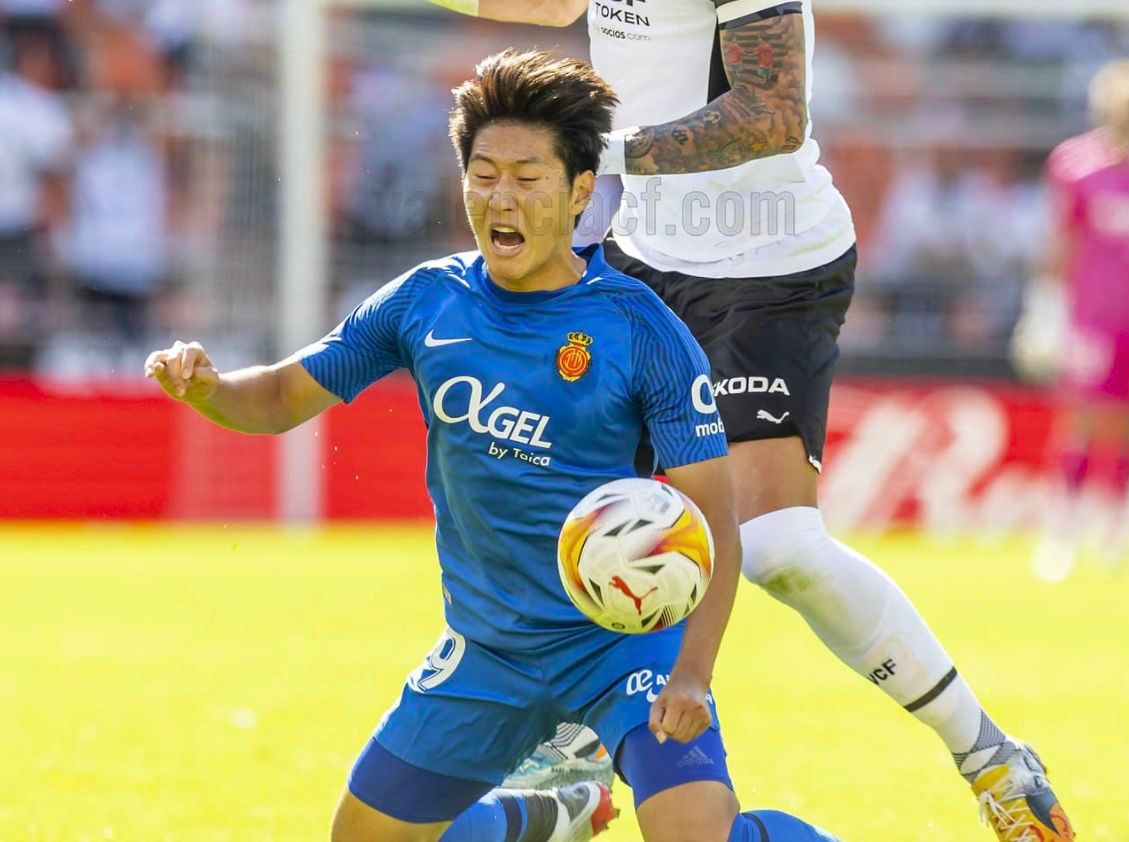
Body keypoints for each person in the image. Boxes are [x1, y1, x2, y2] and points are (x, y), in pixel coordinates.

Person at [147, 50, 841, 842]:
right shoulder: (425, 302)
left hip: (622, 649)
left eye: (528, 176)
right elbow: (277, 397)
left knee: (695, 837)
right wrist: (207, 387)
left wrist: (693, 674)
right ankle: (539, 815)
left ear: (582, 190)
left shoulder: (639, 328)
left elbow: (715, 520)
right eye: (483, 174)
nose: (500, 198)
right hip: (489, 653)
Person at [426, 1, 1074, 839]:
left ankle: (988, 755)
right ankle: (576, 760)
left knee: (777, 547)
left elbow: (771, 113)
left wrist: (598, 151)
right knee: (571, 497)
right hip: (646, 255)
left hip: (768, 268)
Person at [1016, 58, 1129, 580]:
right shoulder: (1076, 165)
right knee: (1082, 419)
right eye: (1121, 106)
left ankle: (1116, 531)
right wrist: (1045, 308)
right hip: (1093, 315)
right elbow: (1059, 240)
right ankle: (1061, 531)